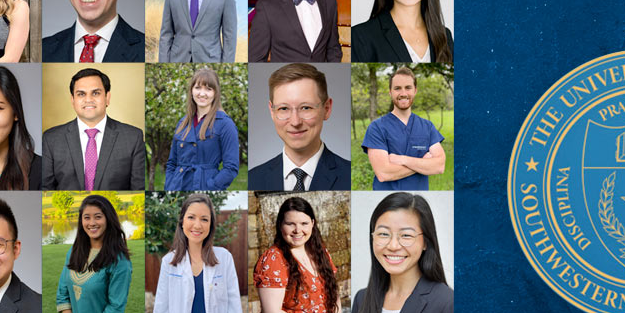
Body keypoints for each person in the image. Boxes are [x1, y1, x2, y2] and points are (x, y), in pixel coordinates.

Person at [248, 63, 350, 191]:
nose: (295, 122)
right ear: (272, 112)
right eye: (284, 108)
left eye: (306, 108)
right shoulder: (252, 179)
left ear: (327, 109)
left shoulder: (348, 175)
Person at [42, 68, 146, 190]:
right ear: (73, 100)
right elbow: (45, 189)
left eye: (96, 93)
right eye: (81, 94)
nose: (88, 100)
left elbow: (138, 190)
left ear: (107, 97)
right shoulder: (51, 139)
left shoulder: (133, 137)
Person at [352, 192, 453, 313]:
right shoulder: (361, 299)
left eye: (406, 235)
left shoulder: (447, 302)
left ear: (425, 242)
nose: (393, 246)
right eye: (383, 234)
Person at [153, 194, 242, 313]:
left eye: (204, 219)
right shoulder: (168, 262)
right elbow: (161, 312)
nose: (197, 225)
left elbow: (235, 309)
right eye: (191, 217)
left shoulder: (224, 258)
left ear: (210, 225)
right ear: (182, 222)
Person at [361, 66, 446, 190]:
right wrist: (422, 163)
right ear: (390, 92)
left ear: (415, 90)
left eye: (408, 88)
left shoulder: (427, 126)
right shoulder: (376, 128)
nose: (403, 93)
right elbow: (384, 173)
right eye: (397, 88)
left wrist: (402, 159)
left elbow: (439, 166)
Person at [253, 197, 339, 313]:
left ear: (313, 223)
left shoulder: (320, 251)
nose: (298, 230)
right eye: (290, 224)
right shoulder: (273, 259)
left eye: (304, 223)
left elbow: (334, 294)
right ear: (280, 225)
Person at [55, 195, 132, 313]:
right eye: (87, 218)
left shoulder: (120, 261)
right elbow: (63, 294)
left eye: (98, 217)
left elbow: (115, 309)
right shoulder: (74, 251)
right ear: (81, 221)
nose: (92, 223)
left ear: (108, 219)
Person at [164, 68, 238, 191]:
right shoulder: (182, 123)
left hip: (204, 185)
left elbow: (231, 168)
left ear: (215, 93)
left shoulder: (225, 124)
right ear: (191, 90)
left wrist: (211, 186)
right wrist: (170, 186)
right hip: (178, 186)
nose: (202, 93)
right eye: (198, 88)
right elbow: (172, 163)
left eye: (208, 89)